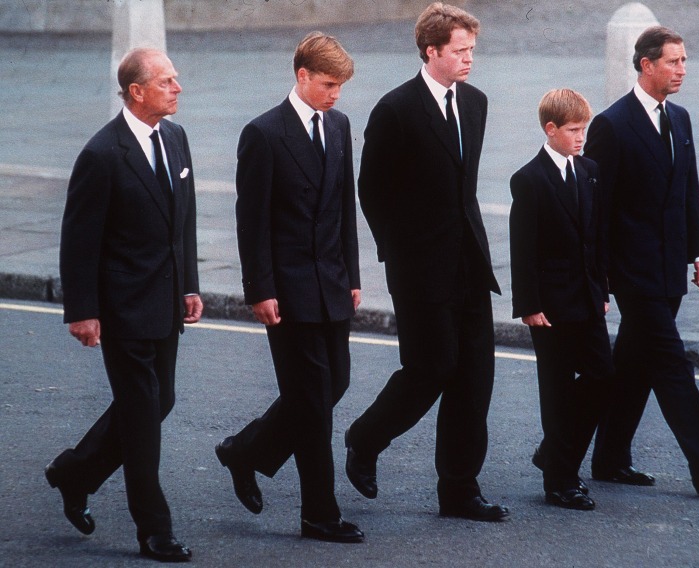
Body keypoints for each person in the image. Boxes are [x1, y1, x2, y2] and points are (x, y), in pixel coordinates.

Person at [344, 2, 508, 522]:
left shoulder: (476, 103)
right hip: (418, 269)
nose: (468, 60)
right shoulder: (395, 110)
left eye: (471, 51)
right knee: (430, 368)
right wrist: (399, 253)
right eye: (459, 51)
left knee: (474, 377)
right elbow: (371, 191)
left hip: (468, 263)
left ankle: (459, 490)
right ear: (430, 51)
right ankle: (365, 438)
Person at [46, 47, 202, 562]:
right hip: (122, 306)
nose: (178, 88)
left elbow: (185, 222)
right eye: (167, 81)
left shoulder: (175, 138)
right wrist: (82, 311)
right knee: (141, 415)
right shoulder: (102, 154)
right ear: (137, 92)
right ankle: (153, 529)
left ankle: (74, 472)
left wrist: (190, 285)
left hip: (164, 299)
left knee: (161, 402)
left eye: (176, 80)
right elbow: (79, 240)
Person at [585, 26, 699, 494]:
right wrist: (600, 278)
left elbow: (687, 192)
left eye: (684, 61)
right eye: (673, 61)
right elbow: (597, 209)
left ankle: (604, 458)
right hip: (632, 274)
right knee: (672, 362)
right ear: (646, 65)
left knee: (634, 368)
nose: (682, 69)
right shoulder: (612, 125)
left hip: (670, 265)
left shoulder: (680, 118)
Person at [215, 32, 363, 543]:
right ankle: (319, 514)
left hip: (332, 282)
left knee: (332, 386)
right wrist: (259, 288)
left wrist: (354, 277)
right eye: (328, 84)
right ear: (301, 76)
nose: (336, 94)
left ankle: (245, 452)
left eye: (341, 86)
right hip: (288, 288)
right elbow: (250, 221)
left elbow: (345, 206)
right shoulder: (264, 133)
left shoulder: (340, 125)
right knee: (313, 402)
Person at [510, 89, 613, 511]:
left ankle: (554, 451)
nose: (581, 137)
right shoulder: (529, 179)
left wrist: (602, 288)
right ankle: (561, 480)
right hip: (549, 306)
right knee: (554, 390)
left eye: (584, 128)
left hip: (587, 298)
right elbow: (524, 248)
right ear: (550, 130)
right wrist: (529, 304)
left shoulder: (590, 170)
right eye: (573, 130)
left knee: (603, 377)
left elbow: (597, 237)